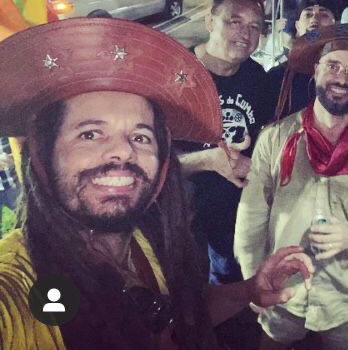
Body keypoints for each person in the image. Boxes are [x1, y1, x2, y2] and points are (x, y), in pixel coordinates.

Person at [0, 18, 313, 349]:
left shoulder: (144, 241)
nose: (123, 151)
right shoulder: (15, 287)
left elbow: (182, 317)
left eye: (140, 136)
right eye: (90, 134)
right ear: (43, 154)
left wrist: (248, 290)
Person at [235, 24, 348, 350]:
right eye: (333, 66)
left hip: (347, 298)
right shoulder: (276, 138)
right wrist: (252, 280)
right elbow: (252, 213)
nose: (342, 78)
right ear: (316, 70)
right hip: (283, 289)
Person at [177, 0, 273, 287]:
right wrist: (208, 160)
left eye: (255, 26)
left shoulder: (256, 77)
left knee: (230, 292)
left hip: (233, 217)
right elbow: (148, 163)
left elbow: (263, 139)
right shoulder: (176, 74)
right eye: (235, 21)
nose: (245, 33)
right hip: (182, 219)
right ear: (210, 22)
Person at [269, 0, 348, 119]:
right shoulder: (279, 76)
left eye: (324, 14)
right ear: (298, 26)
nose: (314, 19)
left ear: (336, 25)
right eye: (308, 14)